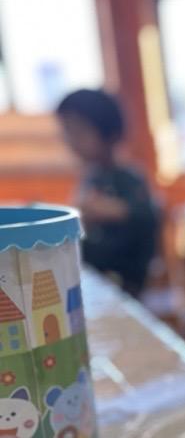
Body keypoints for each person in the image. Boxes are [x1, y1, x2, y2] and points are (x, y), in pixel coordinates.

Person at [56, 89, 159, 297]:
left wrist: (117, 210)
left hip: (123, 283)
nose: (71, 140)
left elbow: (150, 216)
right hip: (94, 277)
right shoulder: (90, 178)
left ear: (109, 133)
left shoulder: (129, 177)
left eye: (79, 132)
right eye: (67, 131)